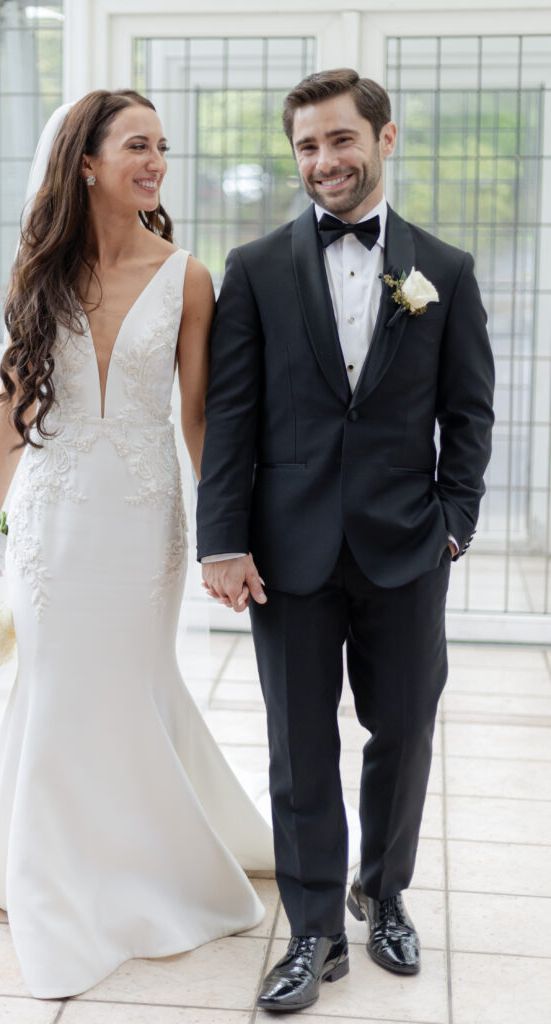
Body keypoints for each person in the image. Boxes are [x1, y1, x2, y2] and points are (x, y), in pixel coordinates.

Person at [0, 89, 273, 998]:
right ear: (84, 161)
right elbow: (11, 409)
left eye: (161, 148)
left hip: (143, 522)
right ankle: (54, 884)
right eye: (137, 145)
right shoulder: (35, 273)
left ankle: (143, 864)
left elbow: (200, 416)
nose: (155, 162)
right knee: (55, 686)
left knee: (128, 684)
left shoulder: (188, 277)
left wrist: (228, 533)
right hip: (55, 525)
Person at [197, 69, 494, 1014]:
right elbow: (230, 415)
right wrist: (222, 541)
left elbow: (470, 412)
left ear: (384, 138)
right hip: (285, 554)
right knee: (297, 744)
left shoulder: (443, 272)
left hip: (408, 546)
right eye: (306, 148)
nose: (322, 162)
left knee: (401, 733)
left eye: (338, 141)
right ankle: (315, 926)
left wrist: (453, 524)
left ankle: (386, 892)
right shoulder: (253, 269)